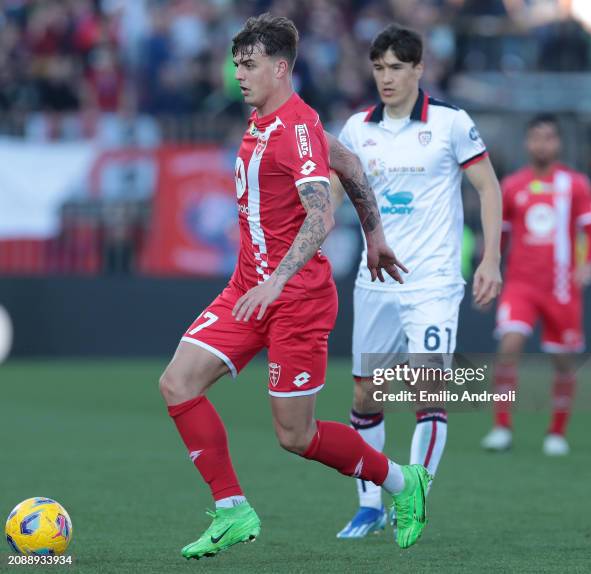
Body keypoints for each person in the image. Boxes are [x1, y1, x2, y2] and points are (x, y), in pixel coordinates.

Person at [158, 14, 431, 559]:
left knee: (295, 436)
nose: (239, 74)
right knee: (177, 384)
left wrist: (278, 280)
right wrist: (376, 235)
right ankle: (233, 510)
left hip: (296, 300)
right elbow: (349, 161)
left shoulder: (296, 129)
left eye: (250, 65)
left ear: (281, 69)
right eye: (237, 64)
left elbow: (319, 219)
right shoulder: (267, 118)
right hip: (248, 288)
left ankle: (403, 482)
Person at [332, 24, 503, 539]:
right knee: (366, 394)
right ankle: (369, 506)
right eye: (379, 68)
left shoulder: (451, 124)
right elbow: (334, 198)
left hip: (432, 282)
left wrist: (491, 258)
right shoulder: (357, 129)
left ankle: (415, 495)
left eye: (397, 68)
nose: (387, 78)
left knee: (427, 387)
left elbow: (488, 187)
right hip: (375, 281)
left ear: (419, 70)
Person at [481, 113, 591, 456]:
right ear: (527, 142)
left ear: (558, 143)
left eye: (548, 138)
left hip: (561, 288)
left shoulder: (575, 184)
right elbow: (499, 236)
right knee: (509, 346)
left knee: (564, 361)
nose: (542, 144)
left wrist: (589, 265)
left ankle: (556, 432)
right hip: (521, 285)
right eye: (536, 138)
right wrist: (489, 272)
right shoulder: (513, 185)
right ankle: (501, 426)